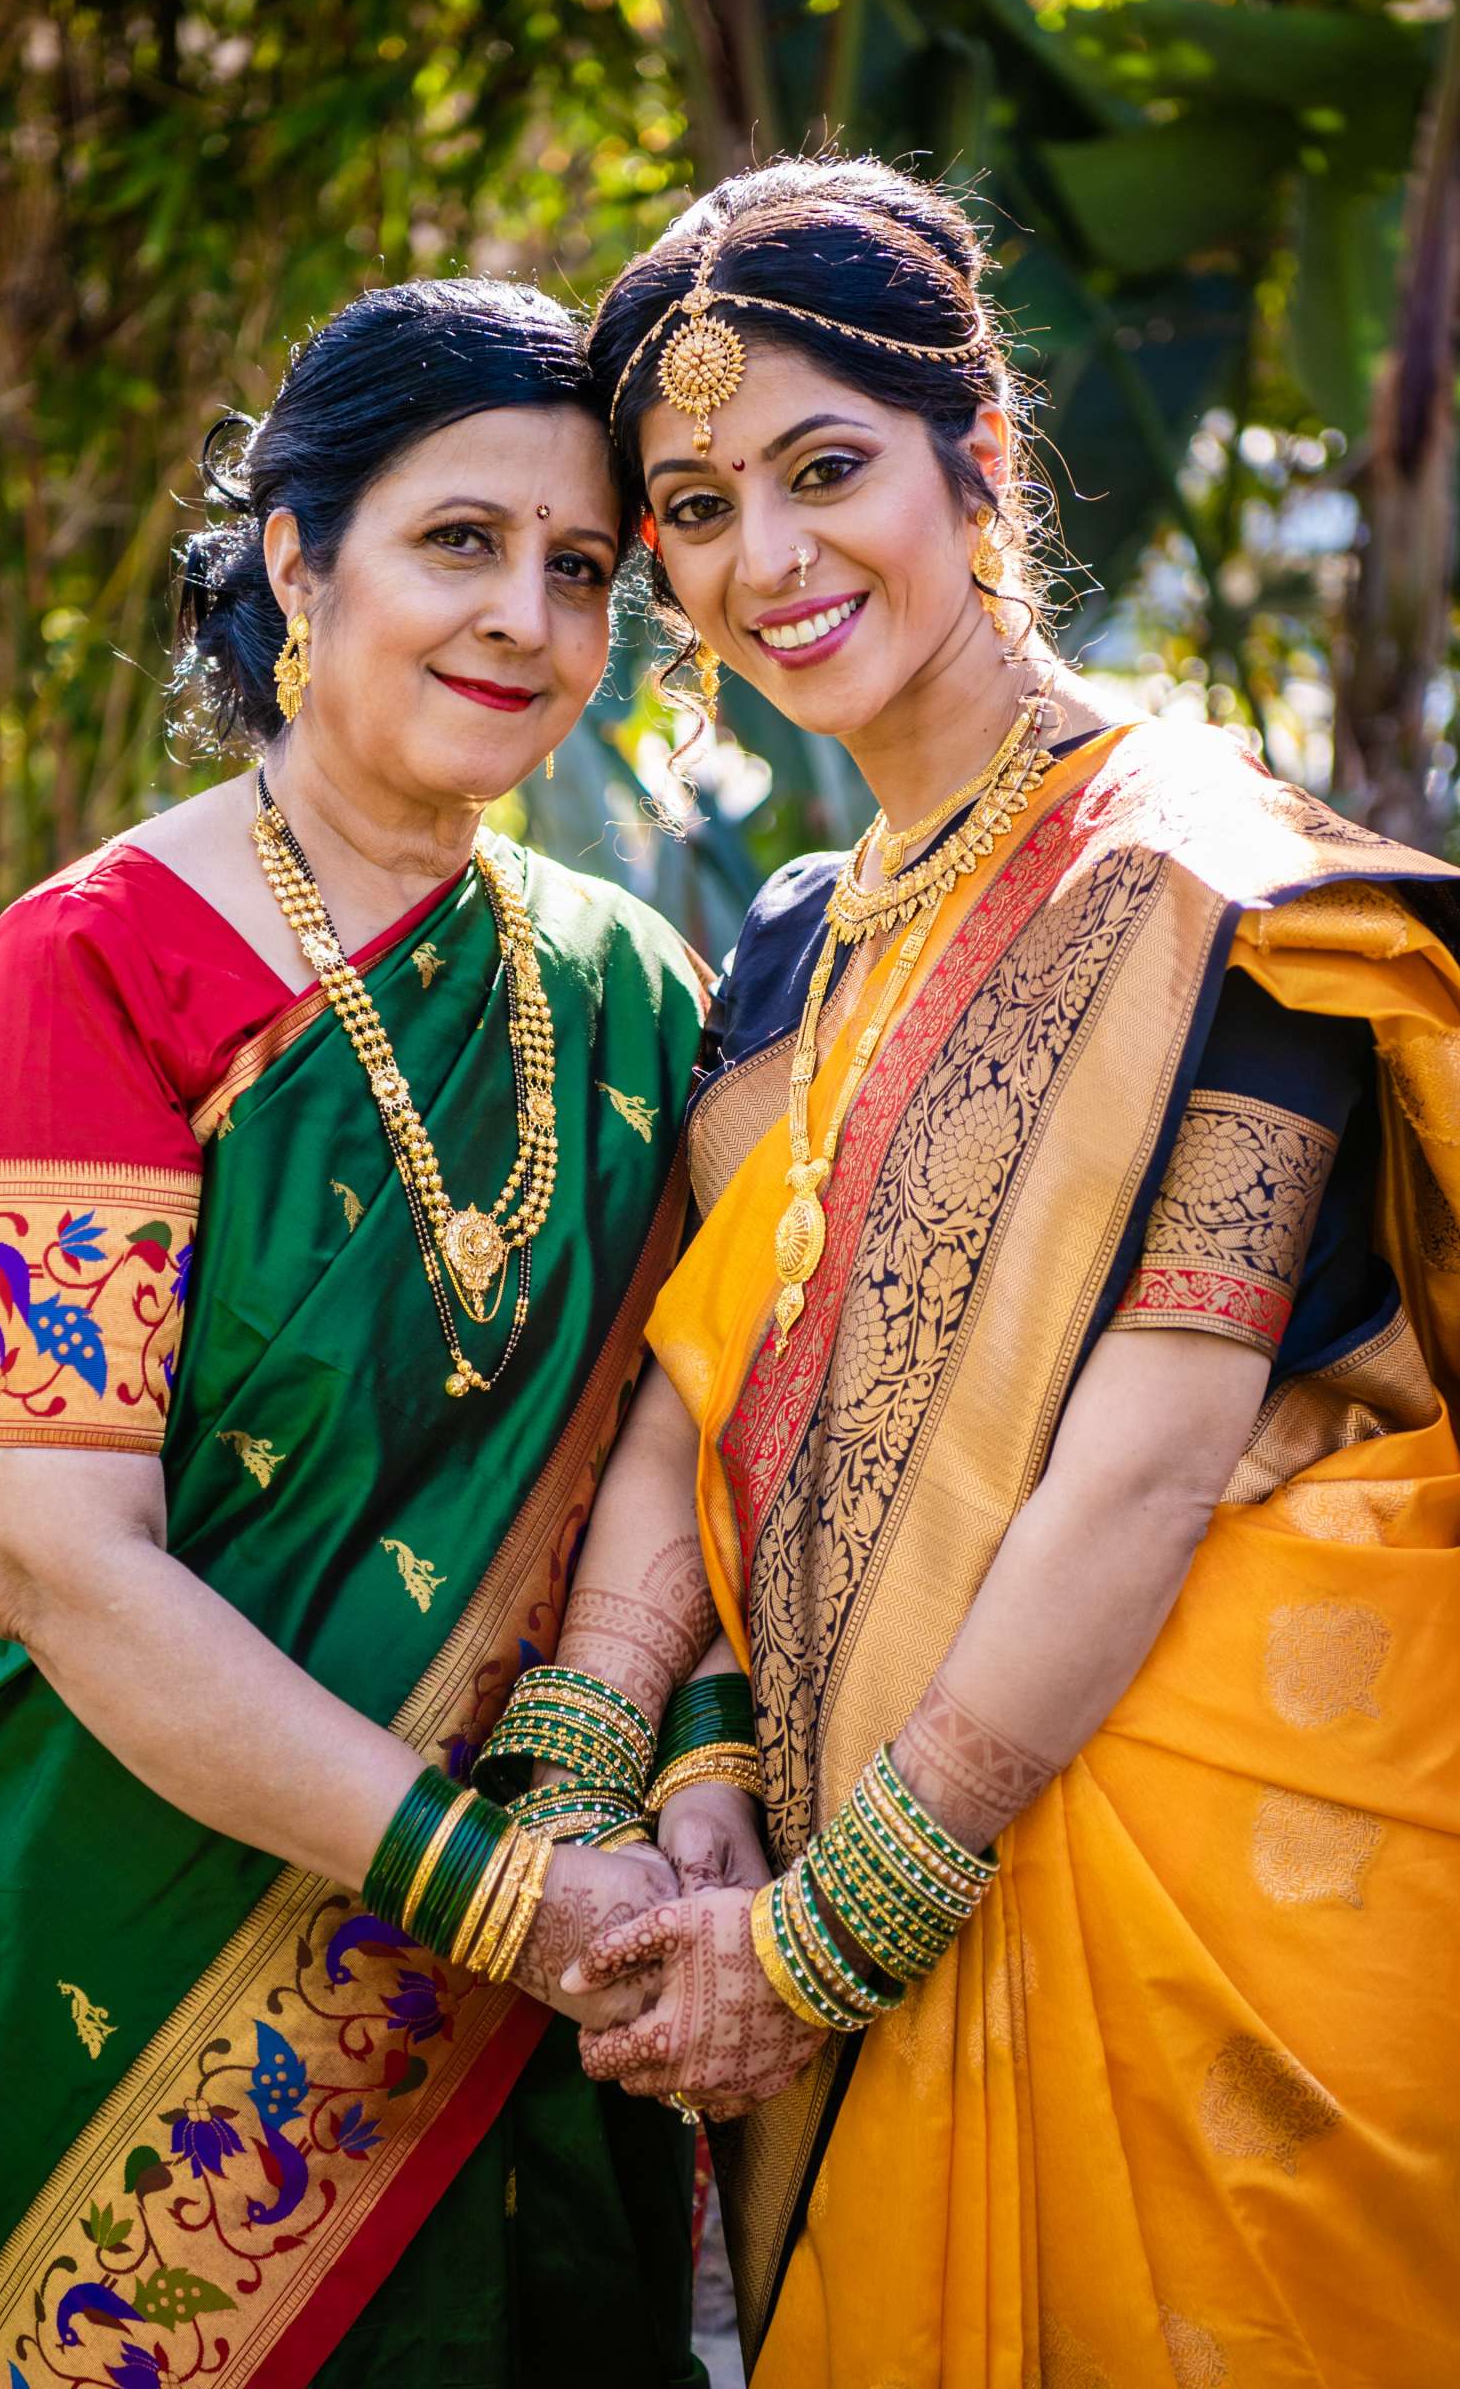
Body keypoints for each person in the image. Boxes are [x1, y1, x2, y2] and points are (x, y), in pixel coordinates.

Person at [495, 158, 1460, 2386]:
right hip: (840, 1874)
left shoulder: (1224, 897)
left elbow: (1150, 1448)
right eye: (697, 511)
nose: (770, 561)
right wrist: (652, 1773)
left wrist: (821, 1937)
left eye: (825, 471)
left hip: (1200, 1885)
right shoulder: (778, 953)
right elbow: (692, 1404)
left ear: (978, 455)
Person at [0, 279, 717, 2389]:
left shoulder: (632, 985)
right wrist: (494, 1897)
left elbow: (692, 1424)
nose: (524, 615)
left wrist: (671, 1781)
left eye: (582, 568)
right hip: (137, 1920)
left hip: (555, 1921)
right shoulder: (99, 966)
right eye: (457, 541)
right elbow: (38, 1554)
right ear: (296, 560)